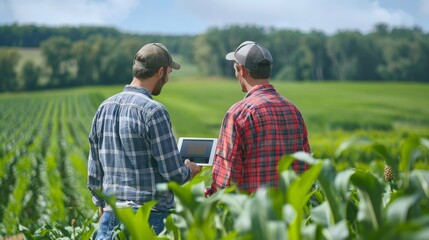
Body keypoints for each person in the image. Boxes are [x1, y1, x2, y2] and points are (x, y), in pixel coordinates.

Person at [87, 42, 201, 238]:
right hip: (148, 219)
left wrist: (103, 207)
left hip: (110, 217)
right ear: (160, 71)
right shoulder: (154, 111)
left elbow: (94, 174)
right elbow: (173, 174)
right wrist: (189, 170)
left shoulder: (103, 108)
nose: (167, 78)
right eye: (168, 73)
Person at [206, 41, 311, 195]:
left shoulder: (237, 114)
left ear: (241, 70)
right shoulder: (294, 110)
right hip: (290, 213)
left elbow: (226, 177)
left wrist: (210, 196)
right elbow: (306, 167)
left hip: (252, 214)